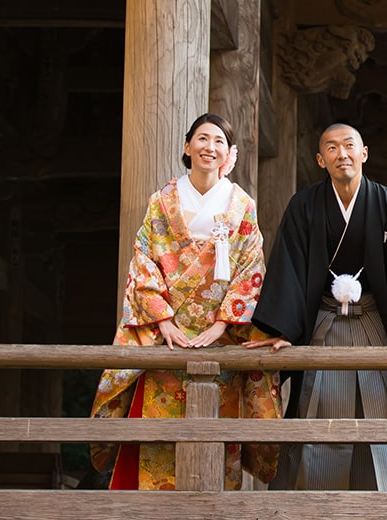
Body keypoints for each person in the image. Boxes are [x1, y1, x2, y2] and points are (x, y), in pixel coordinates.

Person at [244, 122, 387, 491]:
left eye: (348, 146)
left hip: (374, 324)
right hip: (323, 322)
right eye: (331, 148)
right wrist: (284, 330)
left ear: (364, 153)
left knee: (381, 418)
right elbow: (289, 265)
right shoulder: (304, 206)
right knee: (317, 417)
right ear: (320, 159)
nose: (342, 154)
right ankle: (312, 507)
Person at [90, 113, 280, 490]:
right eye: (203, 139)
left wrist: (221, 324)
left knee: (215, 435)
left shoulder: (241, 204)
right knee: (158, 437)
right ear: (187, 146)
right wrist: (163, 322)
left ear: (228, 153)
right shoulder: (162, 201)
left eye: (219, 142)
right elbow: (144, 261)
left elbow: (250, 270)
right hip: (168, 339)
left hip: (220, 339)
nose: (210, 148)